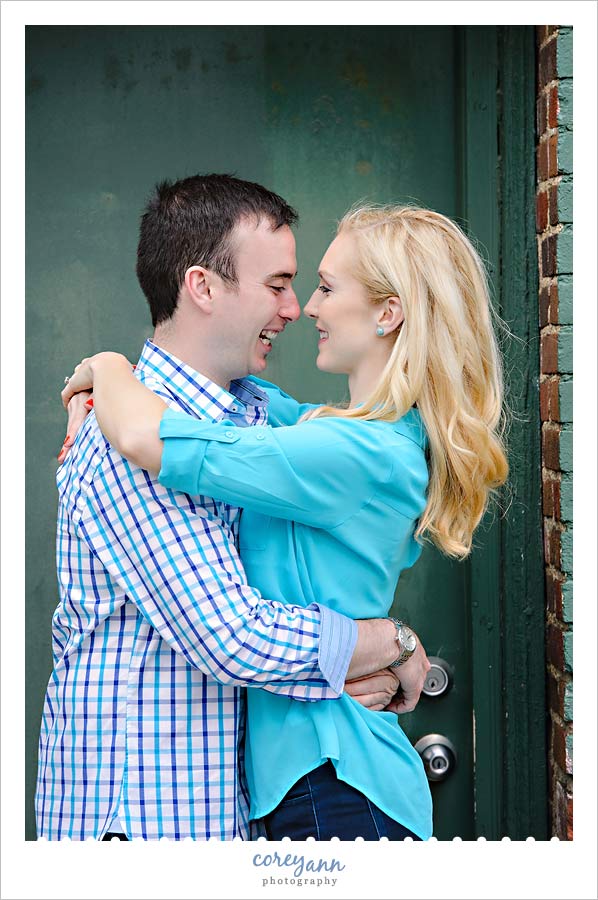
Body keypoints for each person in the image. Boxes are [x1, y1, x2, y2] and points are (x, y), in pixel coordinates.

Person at [60, 203, 509, 841]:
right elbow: (236, 403)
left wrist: (106, 367)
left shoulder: (355, 454)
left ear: (388, 312)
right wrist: (394, 644)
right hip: (310, 783)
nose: (308, 308)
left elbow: (145, 432)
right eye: (290, 286)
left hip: (335, 784)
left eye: (326, 287)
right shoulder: (325, 431)